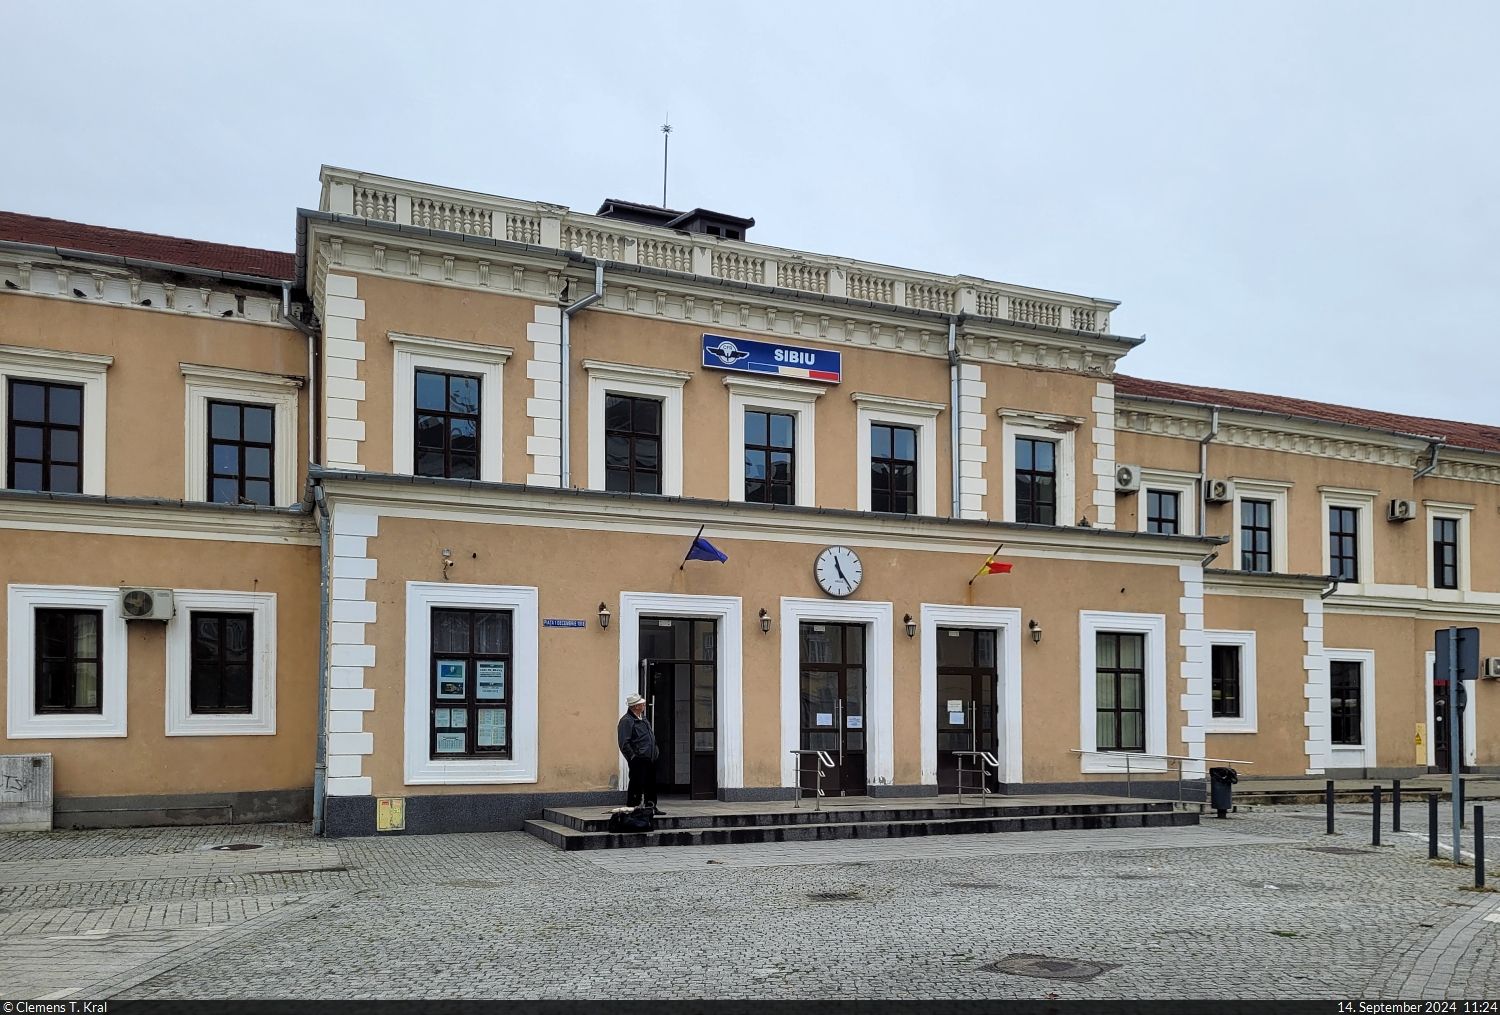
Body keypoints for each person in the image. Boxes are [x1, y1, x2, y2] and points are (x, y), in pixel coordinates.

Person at [617, 693, 663, 814]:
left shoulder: (643, 719)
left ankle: (651, 806)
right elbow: (624, 742)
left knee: (651, 784)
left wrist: (655, 750)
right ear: (636, 706)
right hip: (638, 758)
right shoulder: (626, 721)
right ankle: (633, 807)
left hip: (650, 757)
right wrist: (632, 757)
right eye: (641, 703)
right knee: (636, 784)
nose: (644, 705)